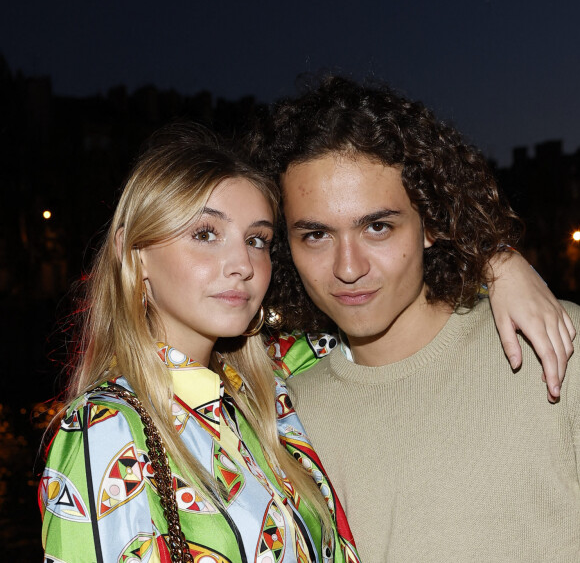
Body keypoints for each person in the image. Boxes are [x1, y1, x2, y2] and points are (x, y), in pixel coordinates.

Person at [254, 76, 580, 562]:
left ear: (432, 222)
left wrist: (499, 257)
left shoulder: (554, 345)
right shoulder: (285, 419)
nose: (348, 267)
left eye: (378, 226)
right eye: (317, 235)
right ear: (286, 248)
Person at [38, 123, 357, 563]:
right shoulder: (106, 429)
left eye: (257, 240)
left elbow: (381, 332)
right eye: (206, 234)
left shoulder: (269, 392)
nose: (243, 264)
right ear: (135, 254)